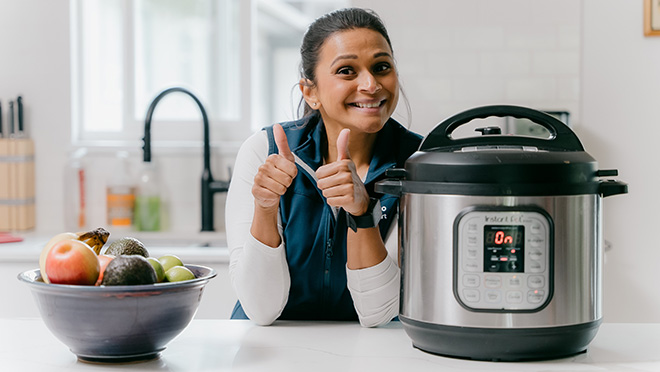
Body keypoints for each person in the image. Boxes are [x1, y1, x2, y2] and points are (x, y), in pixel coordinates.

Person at [225, 7, 422, 327]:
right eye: (347, 71)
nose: (371, 84)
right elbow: (259, 309)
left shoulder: (419, 162)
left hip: (368, 349)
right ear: (310, 92)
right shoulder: (264, 151)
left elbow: (380, 313)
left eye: (381, 67)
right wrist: (265, 206)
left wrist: (362, 214)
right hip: (268, 347)